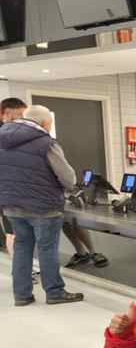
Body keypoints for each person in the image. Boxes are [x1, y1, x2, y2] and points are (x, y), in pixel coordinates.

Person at [0, 104, 84, 305]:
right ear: (45, 123)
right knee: (47, 249)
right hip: (43, 207)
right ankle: (54, 292)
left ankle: (21, 295)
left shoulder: (2, 137)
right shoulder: (46, 143)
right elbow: (68, 177)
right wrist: (71, 189)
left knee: (21, 248)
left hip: (11, 205)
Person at [0, 97, 28, 257]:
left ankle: (22, 267)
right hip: (7, 191)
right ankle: (21, 269)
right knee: (13, 232)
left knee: (17, 232)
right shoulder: (6, 134)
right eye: (19, 115)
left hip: (14, 189)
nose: (22, 119)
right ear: (8, 113)